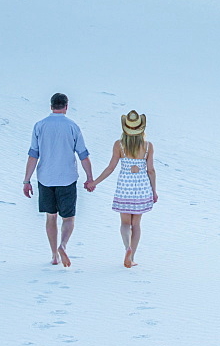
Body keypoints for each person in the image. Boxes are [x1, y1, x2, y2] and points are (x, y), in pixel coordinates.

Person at [23, 93, 94, 267]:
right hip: (67, 178)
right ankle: (63, 245)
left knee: (51, 217)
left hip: (45, 178)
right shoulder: (72, 126)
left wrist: (26, 180)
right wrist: (89, 178)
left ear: (51, 106)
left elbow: (33, 155)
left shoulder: (39, 126)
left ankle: (54, 255)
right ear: (66, 106)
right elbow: (83, 155)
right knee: (68, 219)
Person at [89, 110, 158, 268]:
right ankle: (132, 256)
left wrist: (95, 182)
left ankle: (127, 247)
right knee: (137, 224)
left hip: (124, 186)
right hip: (141, 187)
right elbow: (151, 170)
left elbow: (111, 167)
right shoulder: (148, 146)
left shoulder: (119, 145)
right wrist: (154, 191)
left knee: (125, 223)